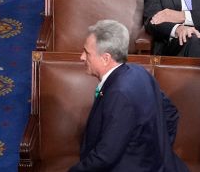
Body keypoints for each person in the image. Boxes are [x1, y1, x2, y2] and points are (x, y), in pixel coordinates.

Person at [74, 19, 186, 172]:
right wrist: (159, 153)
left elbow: (105, 156)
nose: (81, 57)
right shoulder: (138, 72)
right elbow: (170, 114)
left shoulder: (119, 93)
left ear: (106, 58)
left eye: (87, 53)